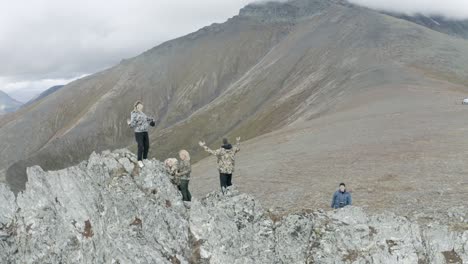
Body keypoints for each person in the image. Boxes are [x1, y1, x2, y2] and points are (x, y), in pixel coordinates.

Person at [127, 101, 155, 168]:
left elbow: (146, 118)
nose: (141, 108)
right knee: (141, 146)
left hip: (145, 131)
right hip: (138, 133)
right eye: (139, 107)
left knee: (147, 146)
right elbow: (132, 125)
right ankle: (139, 160)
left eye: (142, 107)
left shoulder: (142, 113)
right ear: (136, 106)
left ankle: (145, 158)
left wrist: (152, 119)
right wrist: (132, 123)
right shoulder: (134, 113)